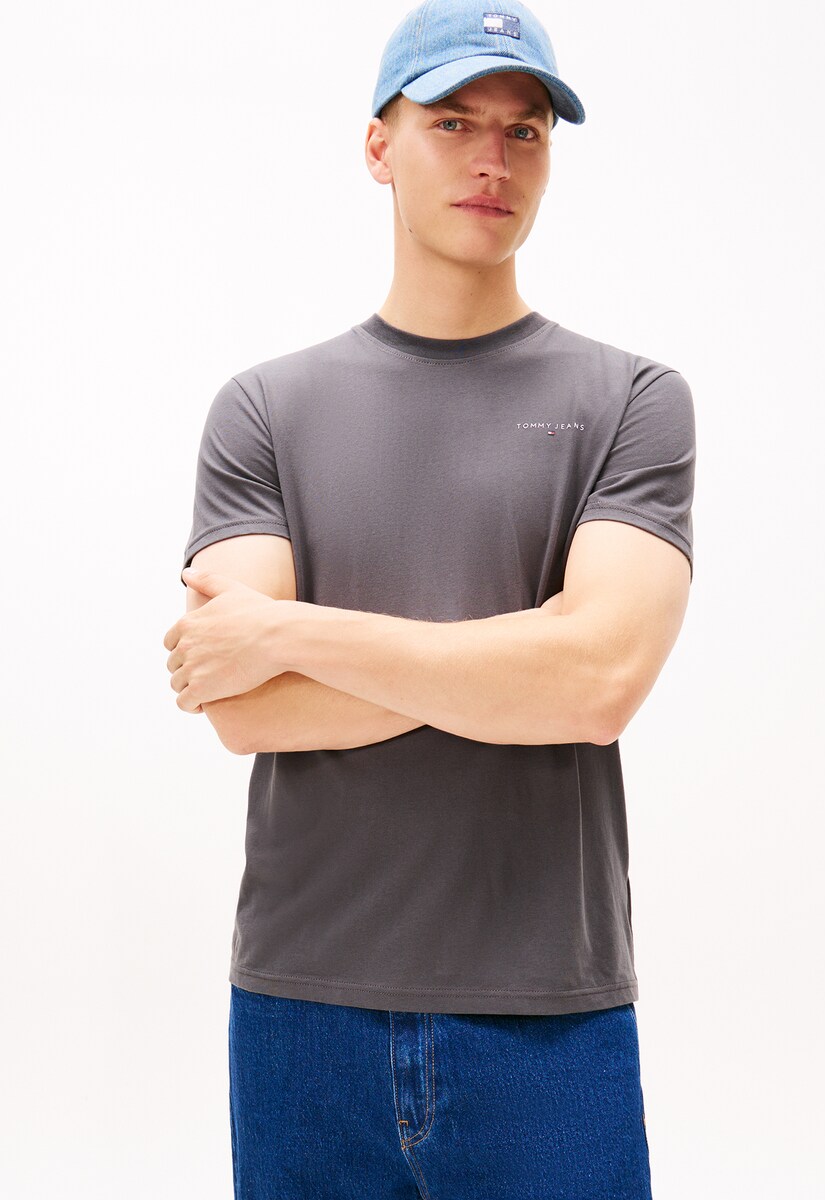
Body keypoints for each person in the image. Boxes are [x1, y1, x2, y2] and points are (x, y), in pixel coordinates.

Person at [163, 1, 695, 1195]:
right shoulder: (265, 411)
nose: (493, 159)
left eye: (525, 131)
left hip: (547, 1014)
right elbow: (244, 709)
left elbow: (598, 682)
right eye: (453, 122)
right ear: (378, 146)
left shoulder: (633, 401)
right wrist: (522, 662)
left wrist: (287, 633)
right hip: (303, 1012)